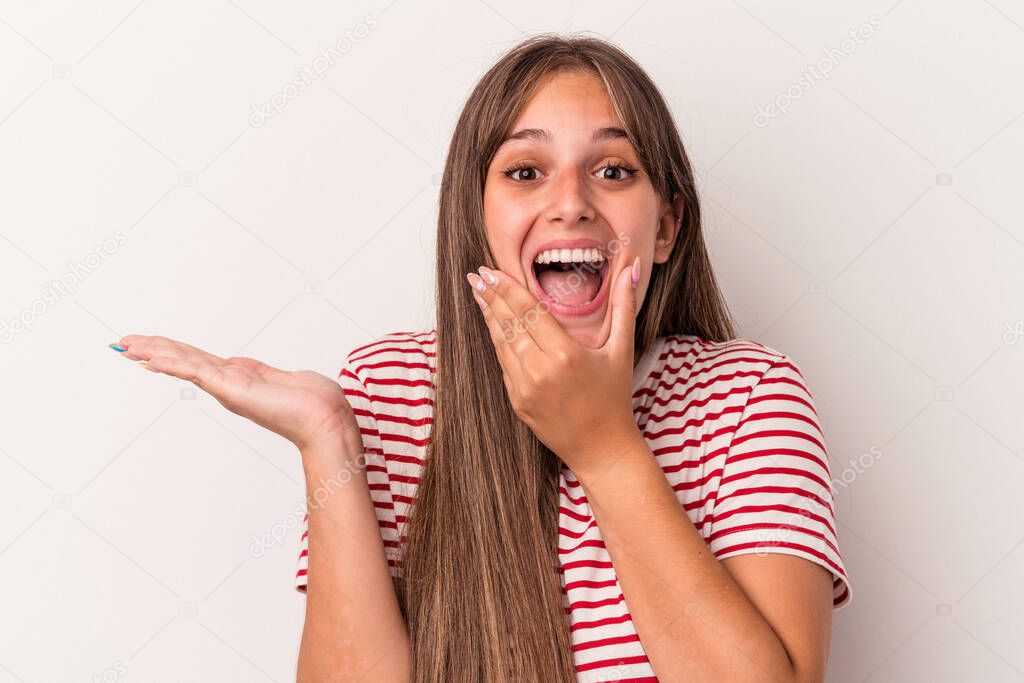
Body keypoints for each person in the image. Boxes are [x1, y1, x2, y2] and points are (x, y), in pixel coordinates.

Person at [111, 33, 851, 683]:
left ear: (665, 228)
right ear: (477, 217)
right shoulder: (389, 392)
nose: (571, 203)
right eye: (526, 171)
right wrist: (327, 439)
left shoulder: (748, 395)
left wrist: (604, 447)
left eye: (615, 170)